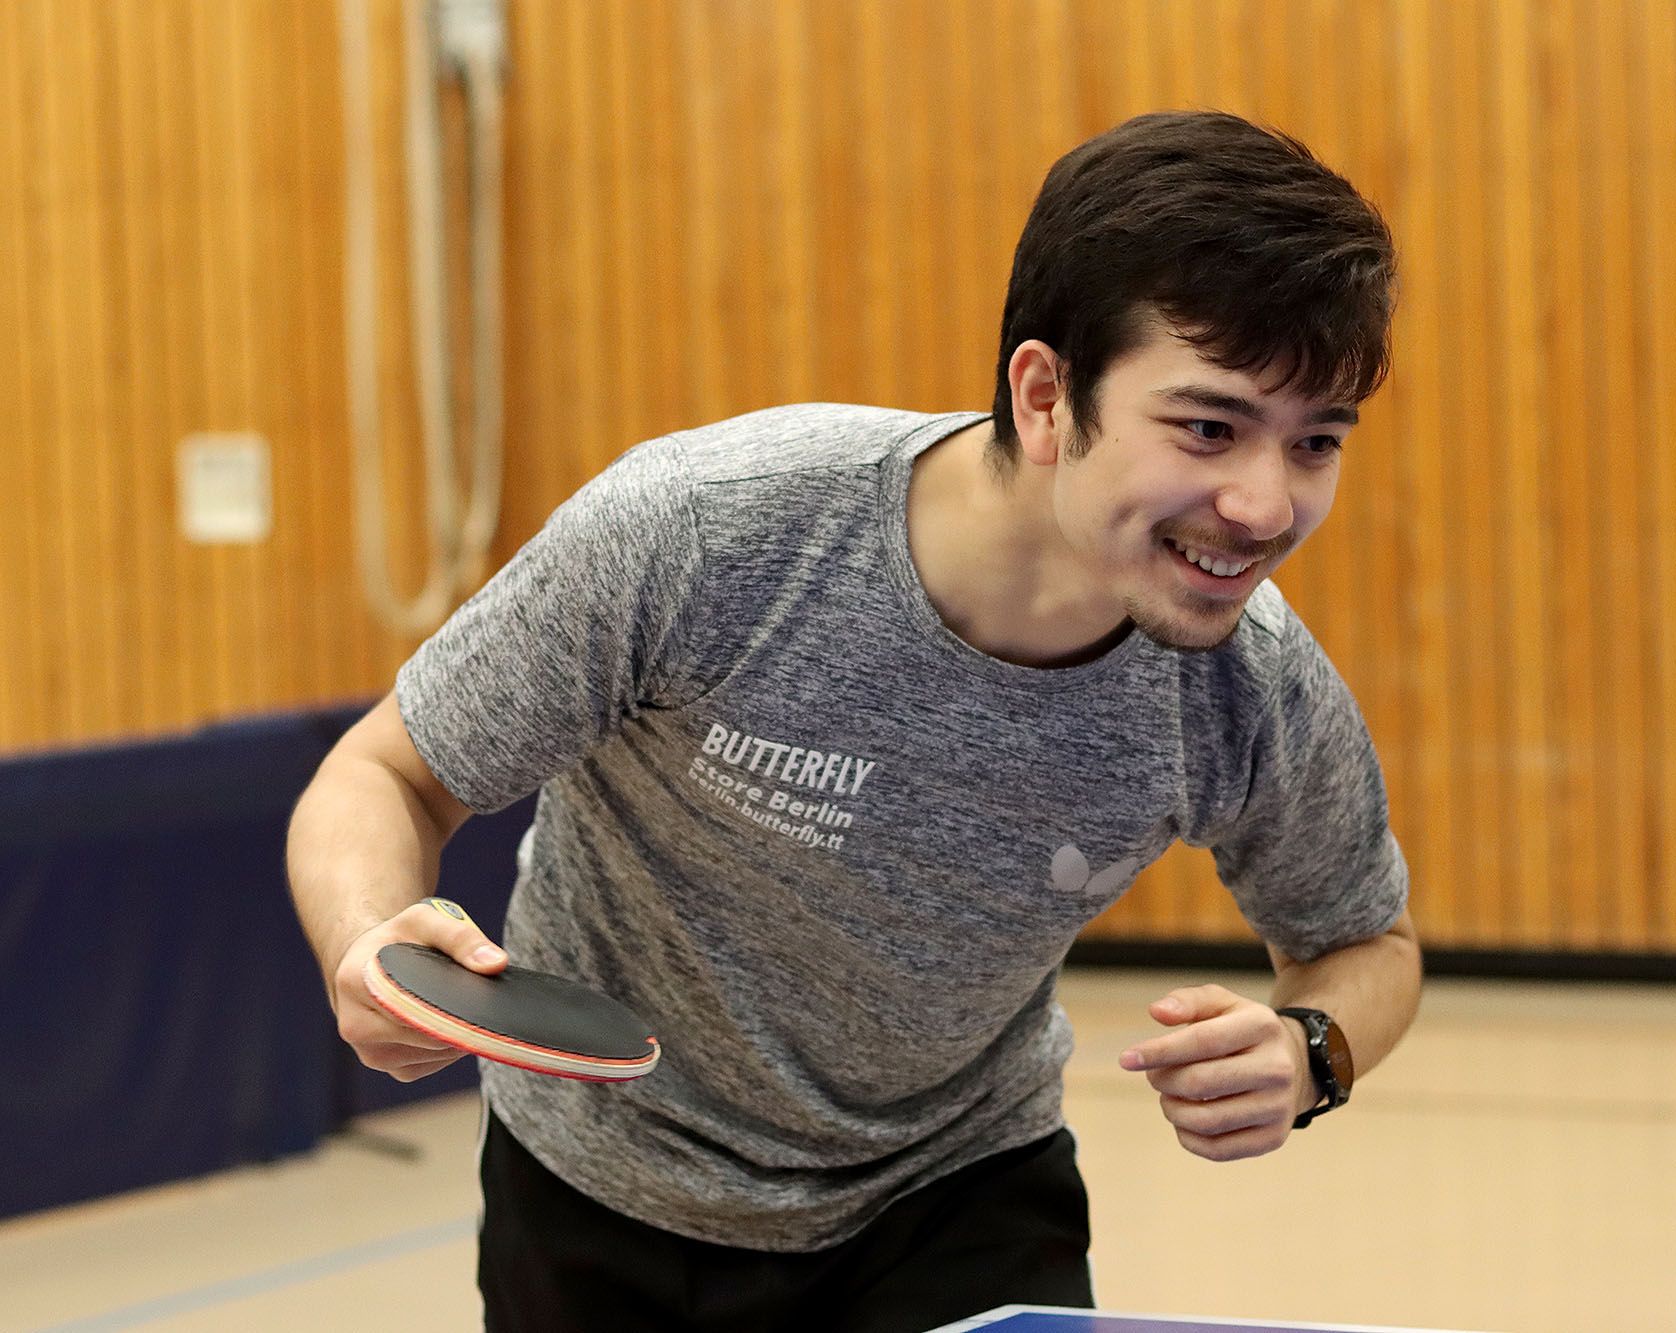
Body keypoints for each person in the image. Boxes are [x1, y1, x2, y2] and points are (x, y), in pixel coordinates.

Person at [287, 108, 1423, 1332]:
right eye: (1207, 428)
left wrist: (1308, 1052)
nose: (1264, 505)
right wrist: (370, 941)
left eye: (1314, 442)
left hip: (957, 1198)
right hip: (598, 1191)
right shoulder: (704, 532)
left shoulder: (1249, 684)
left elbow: (1366, 942)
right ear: (1045, 396)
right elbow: (383, 775)